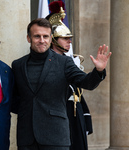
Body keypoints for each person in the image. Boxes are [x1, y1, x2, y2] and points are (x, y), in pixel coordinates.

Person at [11, 18, 111, 150]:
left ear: (51, 38)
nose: (42, 40)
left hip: (56, 136)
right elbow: (14, 98)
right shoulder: (18, 65)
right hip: (26, 138)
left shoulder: (64, 63)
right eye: (37, 36)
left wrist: (98, 71)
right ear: (29, 38)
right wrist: (29, 112)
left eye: (45, 36)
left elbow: (86, 83)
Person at [47, 1, 93, 150]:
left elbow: (82, 87)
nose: (69, 41)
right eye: (65, 38)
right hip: (59, 114)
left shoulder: (70, 61)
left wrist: (86, 117)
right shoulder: (48, 61)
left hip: (75, 112)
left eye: (69, 38)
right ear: (53, 39)